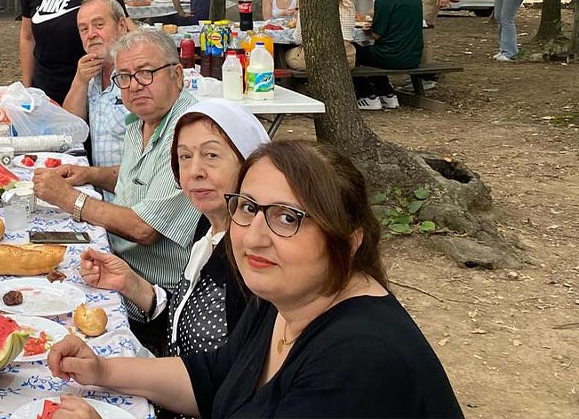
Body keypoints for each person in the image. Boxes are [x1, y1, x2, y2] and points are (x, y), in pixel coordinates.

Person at [46, 140, 463, 419]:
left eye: (288, 217)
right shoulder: (284, 299)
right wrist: (102, 370)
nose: (255, 237)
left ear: (350, 240)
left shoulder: (358, 360)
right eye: (248, 208)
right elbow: (213, 378)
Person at [33, 28, 200, 341]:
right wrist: (91, 175)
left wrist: (70, 200)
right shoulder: (142, 121)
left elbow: (144, 229)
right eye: (124, 76)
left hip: (155, 298)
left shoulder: (188, 134)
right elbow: (140, 177)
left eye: (146, 73)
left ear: (177, 74)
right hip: (118, 263)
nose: (135, 85)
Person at [79, 99, 267, 377]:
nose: (195, 171)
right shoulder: (207, 228)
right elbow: (183, 329)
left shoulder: (253, 256)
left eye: (211, 155)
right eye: (185, 157)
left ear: (248, 163)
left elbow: (232, 378)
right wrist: (130, 284)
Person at [62, 0, 132, 173]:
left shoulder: (138, 73)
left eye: (99, 25)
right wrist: (80, 81)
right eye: (83, 29)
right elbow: (69, 129)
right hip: (102, 190)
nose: (91, 34)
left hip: (135, 193)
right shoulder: (91, 74)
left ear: (122, 26)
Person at [355, 0, 423, 110]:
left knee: (352, 52)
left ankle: (366, 95)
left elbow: (377, 35)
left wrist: (369, 30)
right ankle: (387, 94)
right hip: (413, 56)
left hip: (392, 56)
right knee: (371, 53)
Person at [284, 0, 357, 71]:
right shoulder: (348, 5)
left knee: (286, 54)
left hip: (315, 59)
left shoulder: (307, 5)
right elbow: (347, 38)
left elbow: (299, 38)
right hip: (346, 60)